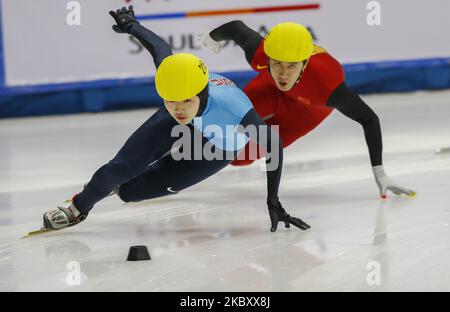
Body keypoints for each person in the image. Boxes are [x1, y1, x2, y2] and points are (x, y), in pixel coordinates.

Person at [42, 6, 311, 233]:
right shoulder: (177, 86)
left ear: (202, 92)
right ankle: (78, 208)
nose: (179, 108)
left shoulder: (234, 111)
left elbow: (273, 144)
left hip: (218, 146)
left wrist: (272, 200)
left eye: (186, 101)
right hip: (186, 124)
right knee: (120, 168)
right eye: (171, 100)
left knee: (130, 192)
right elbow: (160, 48)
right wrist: (132, 25)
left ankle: (119, 188)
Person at [200, 21, 416, 199]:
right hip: (270, 88)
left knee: (239, 157)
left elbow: (369, 119)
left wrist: (380, 171)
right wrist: (211, 37)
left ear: (304, 64)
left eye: (292, 66)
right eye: (278, 64)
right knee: (225, 119)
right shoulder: (259, 56)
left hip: (308, 109)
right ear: (268, 59)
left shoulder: (327, 86)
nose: (283, 74)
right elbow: (236, 28)